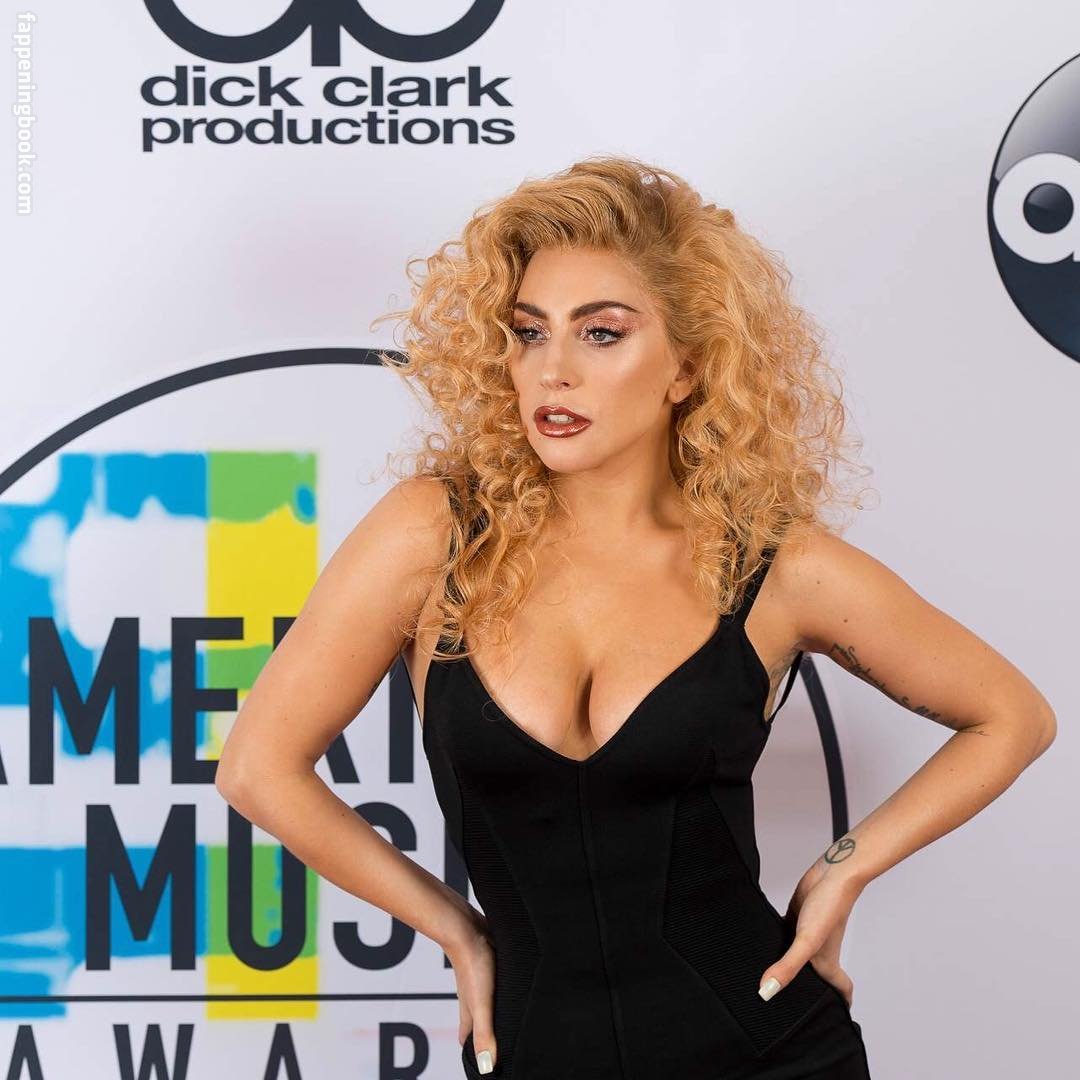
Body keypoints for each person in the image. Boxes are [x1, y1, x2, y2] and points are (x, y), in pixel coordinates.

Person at [215, 156, 1057, 1079]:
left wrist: (844, 867)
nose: (554, 371)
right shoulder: (434, 535)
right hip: (533, 1051)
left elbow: (1012, 716)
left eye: (601, 333)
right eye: (528, 333)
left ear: (688, 367)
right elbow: (259, 768)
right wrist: (456, 927)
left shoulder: (777, 567)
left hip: (771, 1049)